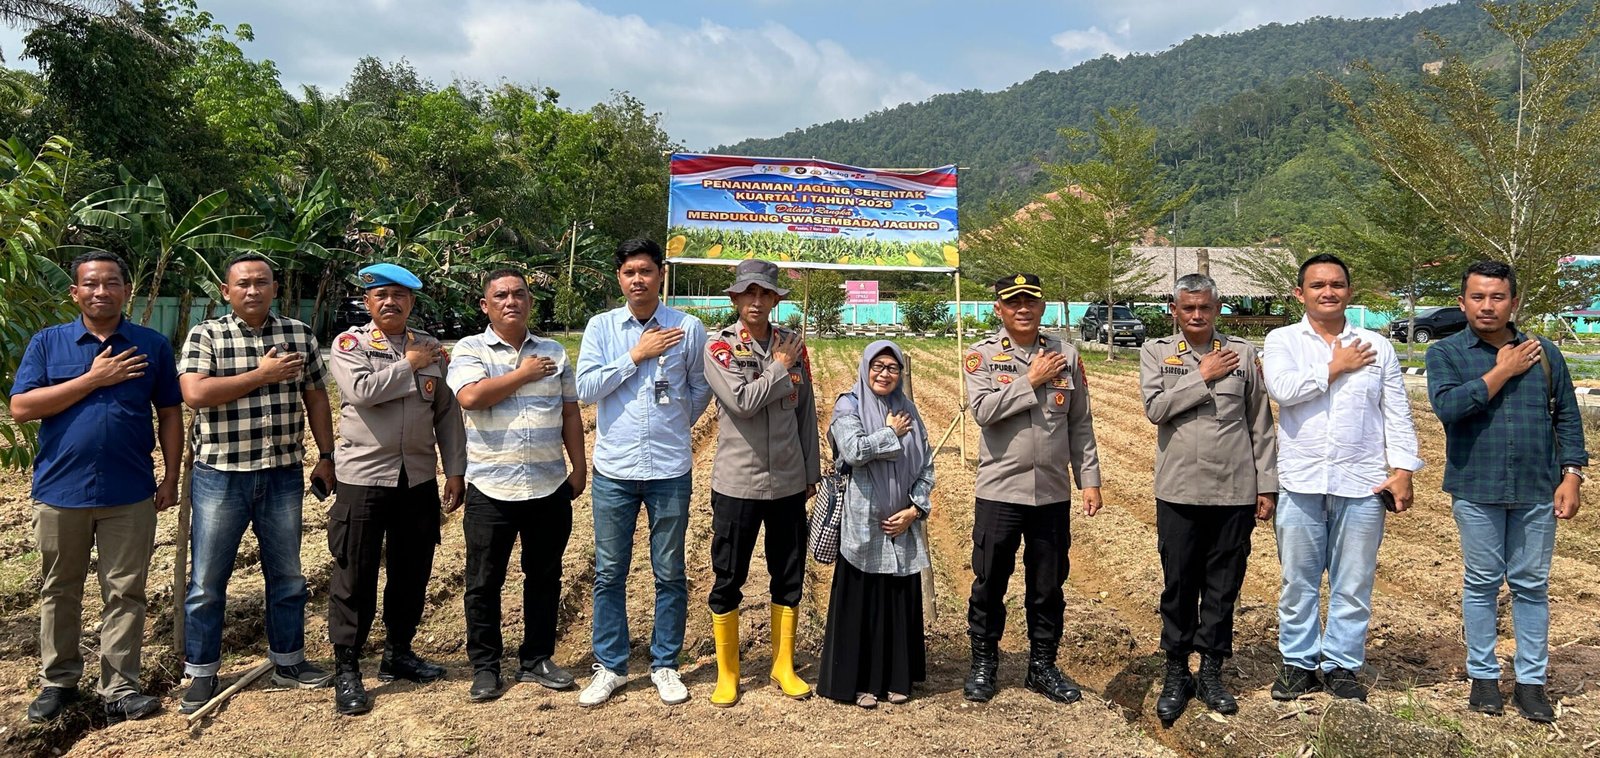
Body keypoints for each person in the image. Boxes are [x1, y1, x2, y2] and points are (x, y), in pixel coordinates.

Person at [10, 251, 182, 724]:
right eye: (90, 284)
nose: (100, 292)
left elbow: (169, 412)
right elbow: (23, 407)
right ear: (75, 292)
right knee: (59, 590)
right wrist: (92, 379)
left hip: (129, 493)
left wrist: (170, 475)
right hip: (60, 492)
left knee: (126, 591)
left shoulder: (151, 345)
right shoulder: (48, 344)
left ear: (126, 290)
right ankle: (58, 680)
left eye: (110, 283)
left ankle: (120, 687)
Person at [1425, 261, 1587, 722]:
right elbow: (1449, 408)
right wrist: (1501, 372)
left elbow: (1567, 418)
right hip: (1476, 487)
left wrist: (1572, 475)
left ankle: (1532, 683)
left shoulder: (1546, 353)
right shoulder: (1446, 353)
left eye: (1497, 297)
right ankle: (1483, 678)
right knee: (1481, 583)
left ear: (1513, 302)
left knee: (1531, 585)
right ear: (1462, 302)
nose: (1487, 306)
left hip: (1538, 488)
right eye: (1477, 297)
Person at [176, 253, 337, 714]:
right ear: (226, 292)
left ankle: (289, 662)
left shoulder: (299, 334)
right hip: (221, 474)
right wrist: (261, 375)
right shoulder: (206, 334)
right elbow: (195, 394)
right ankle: (201, 672)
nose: (253, 290)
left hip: (282, 472)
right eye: (243, 284)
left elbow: (316, 399)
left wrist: (326, 456)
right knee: (207, 580)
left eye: (262, 282)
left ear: (274, 288)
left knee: (287, 576)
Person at [1262, 253, 1423, 703]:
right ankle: (1298, 661)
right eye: (1317, 286)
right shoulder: (1282, 341)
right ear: (1301, 294)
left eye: (1336, 284)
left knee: (1354, 583)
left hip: (1363, 482)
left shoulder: (1377, 347)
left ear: (1349, 292)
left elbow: (1396, 411)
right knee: (1299, 581)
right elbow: (1284, 391)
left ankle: (1342, 664)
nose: (1327, 292)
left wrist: (1404, 469)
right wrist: (1336, 366)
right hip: (1301, 479)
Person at [574, 239, 711, 707]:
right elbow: (587, 387)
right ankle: (610, 666)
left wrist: (674, 426)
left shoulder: (688, 327)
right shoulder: (602, 327)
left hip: (670, 468)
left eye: (646, 271)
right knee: (609, 572)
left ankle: (665, 663)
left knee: (669, 571)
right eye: (630, 271)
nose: (638, 279)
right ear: (620, 278)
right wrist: (636, 354)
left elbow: (698, 388)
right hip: (614, 469)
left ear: (661, 275)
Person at [326, 262, 467, 716]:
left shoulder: (430, 348)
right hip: (363, 478)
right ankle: (347, 668)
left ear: (411, 302)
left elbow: (446, 414)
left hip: (418, 478)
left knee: (412, 571)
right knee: (355, 575)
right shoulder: (351, 345)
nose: (391, 302)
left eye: (400, 296)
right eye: (381, 295)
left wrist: (454, 470)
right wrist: (409, 365)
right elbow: (363, 391)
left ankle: (399, 652)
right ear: (367, 302)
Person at [1138, 273, 1277, 722]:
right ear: (1174, 311)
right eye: (1188, 308)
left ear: (1217, 309)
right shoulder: (1156, 352)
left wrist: (1266, 484)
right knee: (1179, 584)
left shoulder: (1243, 353)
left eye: (1205, 308)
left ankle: (1212, 669)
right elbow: (1156, 409)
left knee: (1223, 586)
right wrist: (1201, 376)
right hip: (1179, 489)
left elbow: (1260, 421)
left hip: (1234, 490)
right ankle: (1177, 670)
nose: (1197, 315)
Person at [445, 269, 585, 703]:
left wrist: (579, 467)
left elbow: (569, 413)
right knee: (484, 581)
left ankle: (537, 658)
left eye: (519, 294)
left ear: (530, 301)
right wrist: (523, 374)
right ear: (486, 306)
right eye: (501, 295)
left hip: (547, 484)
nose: (512, 301)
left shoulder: (554, 352)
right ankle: (485, 667)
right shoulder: (470, 349)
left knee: (544, 576)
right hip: (491, 487)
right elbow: (471, 398)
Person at [962, 273, 1102, 705]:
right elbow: (983, 411)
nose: (1023, 308)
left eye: (1030, 301)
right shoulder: (982, 357)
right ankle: (985, 663)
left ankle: (1042, 666)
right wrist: (1031, 380)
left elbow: (1080, 423)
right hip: (1001, 490)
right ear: (999, 309)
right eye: (1013, 302)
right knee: (990, 581)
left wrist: (1089, 480)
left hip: (1052, 494)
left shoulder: (1066, 354)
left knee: (1048, 585)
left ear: (1042, 308)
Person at [703, 258, 820, 707]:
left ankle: (782, 664)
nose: (756, 301)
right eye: (747, 293)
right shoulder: (721, 347)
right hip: (738, 483)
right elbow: (742, 400)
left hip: (789, 482)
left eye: (764, 293)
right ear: (734, 299)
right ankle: (727, 673)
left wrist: (810, 471)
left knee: (788, 573)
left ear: (775, 299)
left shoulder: (794, 344)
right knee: (728, 575)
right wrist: (778, 366)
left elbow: (806, 410)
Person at [817, 341, 934, 709]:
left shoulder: (909, 410)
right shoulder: (848, 405)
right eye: (877, 366)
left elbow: (926, 466)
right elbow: (852, 451)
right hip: (862, 521)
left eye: (893, 368)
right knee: (862, 601)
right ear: (865, 368)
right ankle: (857, 684)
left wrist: (915, 509)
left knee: (896, 602)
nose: (884, 374)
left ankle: (895, 679)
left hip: (901, 522)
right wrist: (890, 433)